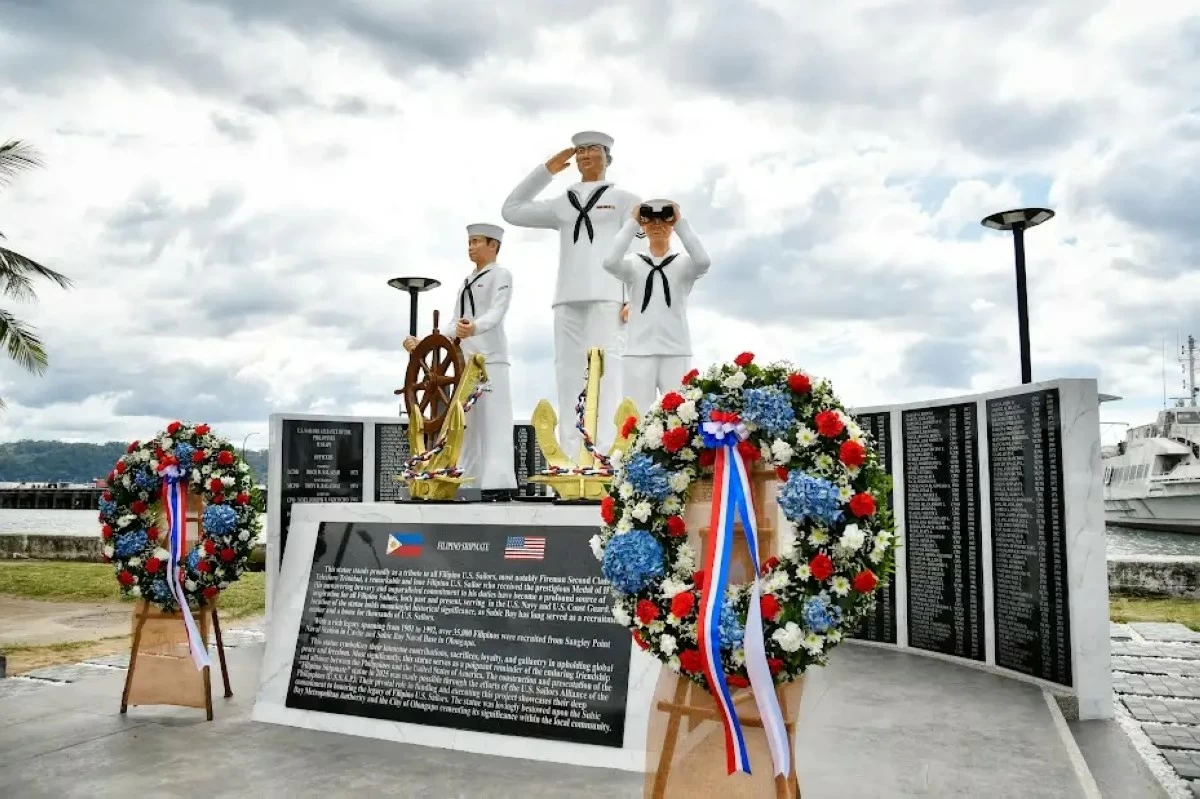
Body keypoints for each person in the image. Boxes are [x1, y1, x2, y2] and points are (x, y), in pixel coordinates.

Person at [501, 131, 640, 462]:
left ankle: (606, 460)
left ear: (608, 157)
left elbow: (641, 247)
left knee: (607, 374)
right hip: (567, 296)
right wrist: (546, 170)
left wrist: (634, 296)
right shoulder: (563, 202)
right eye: (579, 151)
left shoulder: (625, 199)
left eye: (593, 149)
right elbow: (512, 210)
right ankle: (570, 458)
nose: (585, 156)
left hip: (609, 295)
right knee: (567, 373)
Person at [404, 223, 516, 501]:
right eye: (469, 242)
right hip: (464, 362)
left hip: (491, 359)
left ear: (493, 246)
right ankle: (466, 477)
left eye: (477, 241)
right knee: (465, 422)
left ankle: (498, 480)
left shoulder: (501, 275)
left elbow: (496, 312)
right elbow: (455, 322)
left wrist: (475, 327)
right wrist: (426, 343)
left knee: (494, 419)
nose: (471, 246)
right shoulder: (466, 281)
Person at [602, 200, 711, 416]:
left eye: (664, 219)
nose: (657, 223)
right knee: (636, 417)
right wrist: (633, 222)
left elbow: (703, 261)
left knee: (682, 415)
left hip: (676, 350)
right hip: (638, 351)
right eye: (650, 219)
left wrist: (680, 222)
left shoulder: (683, 264)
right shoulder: (634, 263)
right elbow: (610, 262)